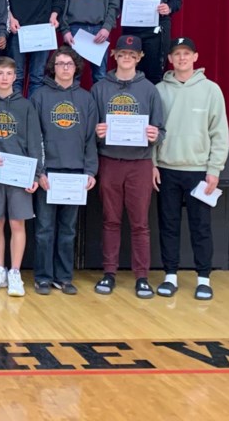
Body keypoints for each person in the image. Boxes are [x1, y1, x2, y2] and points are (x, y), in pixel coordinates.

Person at [154, 37, 229, 300]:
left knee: (201, 226)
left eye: (187, 53)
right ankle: (170, 275)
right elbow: (153, 131)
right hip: (166, 168)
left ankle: (203, 278)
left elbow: (219, 132)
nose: (182, 58)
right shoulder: (159, 90)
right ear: (170, 59)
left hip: (199, 170)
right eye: (177, 54)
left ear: (195, 58)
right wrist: (153, 164)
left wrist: (214, 169)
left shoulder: (211, 90)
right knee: (169, 224)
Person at [91, 34, 165, 299]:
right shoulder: (100, 88)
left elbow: (161, 129)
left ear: (139, 58)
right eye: (122, 54)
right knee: (110, 220)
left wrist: (156, 135)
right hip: (110, 160)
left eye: (132, 55)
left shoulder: (150, 90)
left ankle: (141, 277)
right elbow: (91, 127)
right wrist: (97, 131)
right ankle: (109, 272)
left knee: (140, 223)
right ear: (114, 56)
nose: (126, 58)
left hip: (140, 163)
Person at [30, 46, 99, 295]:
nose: (65, 68)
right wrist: (39, 172)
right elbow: (34, 138)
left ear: (76, 67)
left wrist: (90, 171)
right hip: (49, 174)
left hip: (75, 174)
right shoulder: (39, 96)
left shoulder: (86, 98)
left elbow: (91, 138)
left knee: (68, 231)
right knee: (45, 230)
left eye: (69, 63)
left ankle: (64, 277)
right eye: (60, 64)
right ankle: (43, 277)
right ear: (53, 67)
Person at [0, 56, 43, 297]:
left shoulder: (25, 106)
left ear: (15, 77)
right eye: (0, 73)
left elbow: (35, 142)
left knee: (18, 223)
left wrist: (36, 175)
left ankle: (15, 272)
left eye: (9, 73)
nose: (4, 78)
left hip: (20, 174)